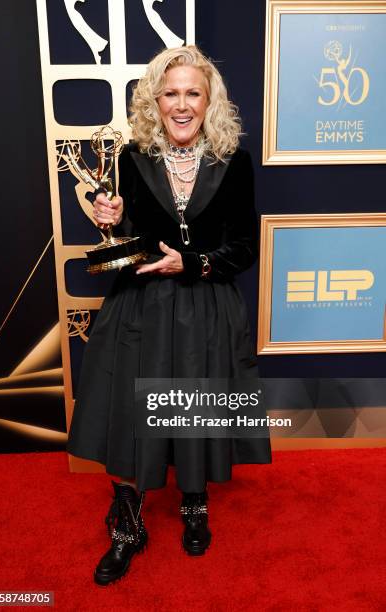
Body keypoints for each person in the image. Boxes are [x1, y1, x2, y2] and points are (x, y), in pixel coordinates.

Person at [66, 45, 271, 586]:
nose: (182, 105)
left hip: (205, 305)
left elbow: (246, 247)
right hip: (140, 306)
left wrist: (196, 262)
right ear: (155, 101)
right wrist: (108, 226)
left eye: (193, 93)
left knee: (194, 407)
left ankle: (194, 500)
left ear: (210, 100)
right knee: (131, 417)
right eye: (171, 94)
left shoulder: (234, 160)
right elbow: (120, 256)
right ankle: (128, 525)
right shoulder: (131, 158)